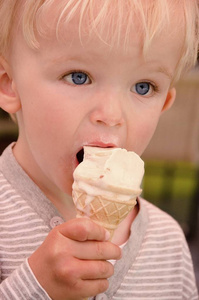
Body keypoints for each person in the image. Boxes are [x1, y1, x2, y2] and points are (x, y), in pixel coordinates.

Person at [0, 0, 198, 299]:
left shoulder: (167, 242)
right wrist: (35, 288)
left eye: (143, 86)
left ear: (164, 104)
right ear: (9, 85)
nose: (111, 114)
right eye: (78, 76)